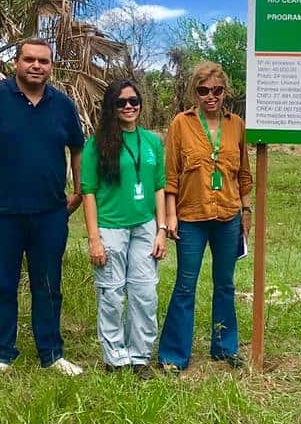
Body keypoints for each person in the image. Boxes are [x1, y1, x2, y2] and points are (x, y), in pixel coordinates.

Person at [0, 38, 86, 375]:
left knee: (48, 284)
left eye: (43, 61)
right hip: (0, 213)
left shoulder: (63, 105)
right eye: (29, 59)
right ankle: (2, 353)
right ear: (16, 62)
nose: (36, 66)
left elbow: (77, 148)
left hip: (49, 214)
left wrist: (80, 190)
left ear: (51, 66)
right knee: (3, 284)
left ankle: (52, 354)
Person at [156, 62, 253, 373]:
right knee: (186, 284)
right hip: (191, 216)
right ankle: (173, 355)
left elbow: (243, 173)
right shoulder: (180, 124)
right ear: (194, 92)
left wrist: (246, 210)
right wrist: (170, 216)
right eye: (203, 90)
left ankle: (225, 348)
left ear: (225, 92)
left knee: (225, 283)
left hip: (227, 215)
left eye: (217, 90)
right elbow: (170, 174)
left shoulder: (236, 124)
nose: (211, 96)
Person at [82, 80, 169, 377]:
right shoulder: (96, 144)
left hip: (145, 227)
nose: (129, 106)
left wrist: (162, 229)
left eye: (134, 101)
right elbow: (89, 192)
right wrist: (94, 239)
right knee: (111, 294)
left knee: (145, 293)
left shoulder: (153, 142)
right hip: (110, 228)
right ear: (112, 107)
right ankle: (115, 358)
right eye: (121, 103)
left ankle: (139, 356)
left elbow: (159, 186)